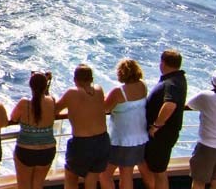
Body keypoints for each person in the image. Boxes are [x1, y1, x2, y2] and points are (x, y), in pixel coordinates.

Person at [55, 64, 110, 189]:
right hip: (102, 141)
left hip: (82, 143)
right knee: (91, 178)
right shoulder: (99, 89)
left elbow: (55, 110)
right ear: (91, 79)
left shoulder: (72, 93)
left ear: (75, 80)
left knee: (70, 176)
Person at [140, 50, 187, 189]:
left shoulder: (172, 83)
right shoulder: (176, 79)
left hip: (161, 135)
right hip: (162, 135)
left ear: (163, 63)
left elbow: (170, 104)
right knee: (153, 168)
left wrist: (156, 126)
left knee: (159, 171)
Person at [100, 59, 149, 189]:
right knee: (127, 174)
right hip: (140, 137)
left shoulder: (118, 92)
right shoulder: (143, 86)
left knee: (105, 175)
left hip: (122, 140)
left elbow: (105, 109)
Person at [10, 71, 56, 189]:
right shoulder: (51, 101)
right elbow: (45, 99)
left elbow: (13, 117)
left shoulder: (24, 103)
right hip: (47, 150)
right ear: (45, 87)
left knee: (24, 186)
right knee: (38, 186)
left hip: (26, 151)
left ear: (30, 86)